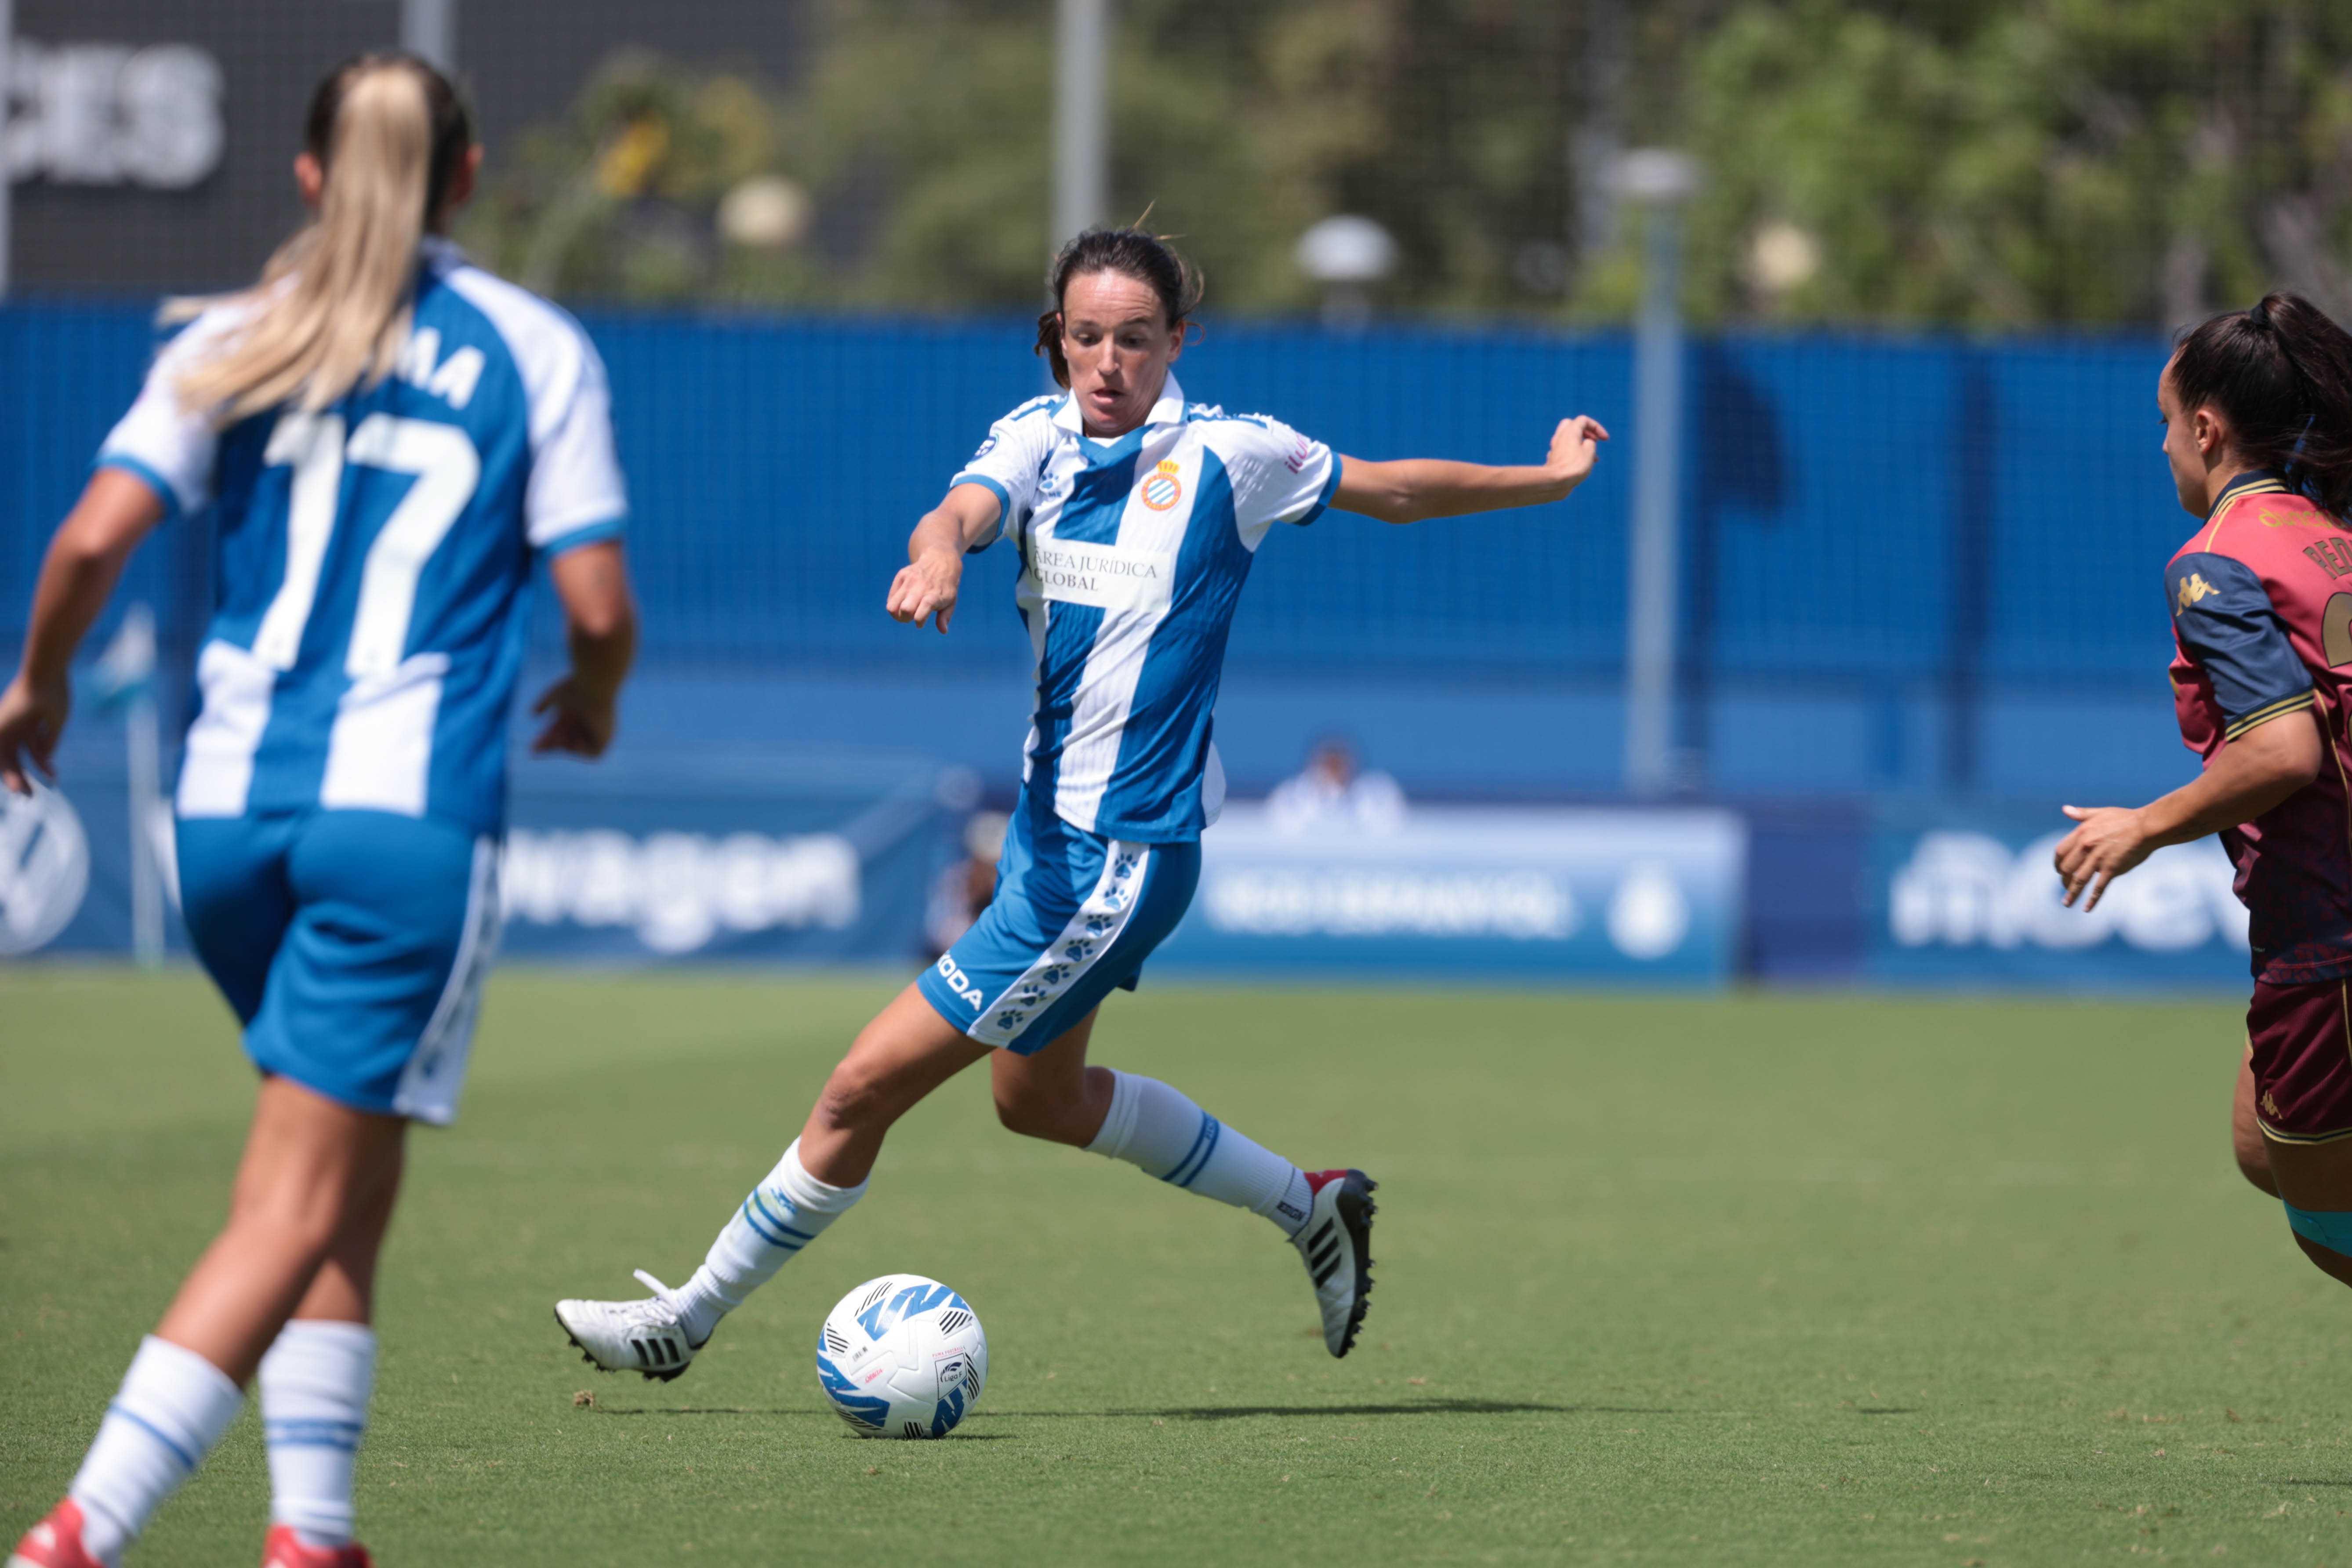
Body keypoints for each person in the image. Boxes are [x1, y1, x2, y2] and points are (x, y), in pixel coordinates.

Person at [553, 225, 1606, 1379]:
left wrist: (1548, 478)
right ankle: (1309, 1202)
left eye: (1136, 338)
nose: (1108, 362)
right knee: (1039, 1100)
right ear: (1058, 337)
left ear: (1177, 341)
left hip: (1123, 856)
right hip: (1044, 841)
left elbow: (1394, 488)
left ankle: (686, 1320)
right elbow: (956, 511)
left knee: (859, 1089)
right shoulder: (1035, 438)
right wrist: (941, 553)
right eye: (1087, 336)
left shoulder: (1233, 455)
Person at [3, 54, 636, 1568]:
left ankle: (314, 1530)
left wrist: (38, 684)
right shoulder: (530, 346)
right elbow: (598, 604)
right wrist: (596, 693)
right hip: (398, 825)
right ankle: (79, 1534)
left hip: (224, 820)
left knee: (348, 1159)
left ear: (306, 176)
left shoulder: (234, 333)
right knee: (291, 1198)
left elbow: (88, 539)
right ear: (466, 178)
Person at [2053, 292, 2352, 1292]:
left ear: (2207, 428)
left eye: (2165, 421)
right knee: (2260, 1145)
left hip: (2333, 931)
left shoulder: (2217, 563)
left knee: (2328, 1230)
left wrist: (2141, 827)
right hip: (2317, 925)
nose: (2163, 445)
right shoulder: (2329, 534)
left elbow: (2282, 752)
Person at [1266, 734, 1407, 835]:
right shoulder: (1289, 798)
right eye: (1328, 764)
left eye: (1339, 764)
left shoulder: (1379, 794)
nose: (1333, 771)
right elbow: (1281, 828)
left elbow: (1393, 825)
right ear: (1313, 765)